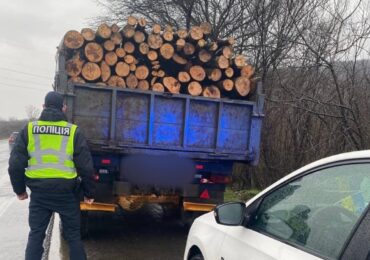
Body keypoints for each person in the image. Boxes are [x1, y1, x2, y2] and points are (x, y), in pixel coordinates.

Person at [8, 91, 96, 260]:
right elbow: (86, 166)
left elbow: (15, 165)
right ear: (64, 108)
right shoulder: (73, 131)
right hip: (66, 194)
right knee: (73, 237)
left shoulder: (29, 129)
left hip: (40, 194)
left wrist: (19, 190)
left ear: (43, 106)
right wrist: (88, 193)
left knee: (36, 235)